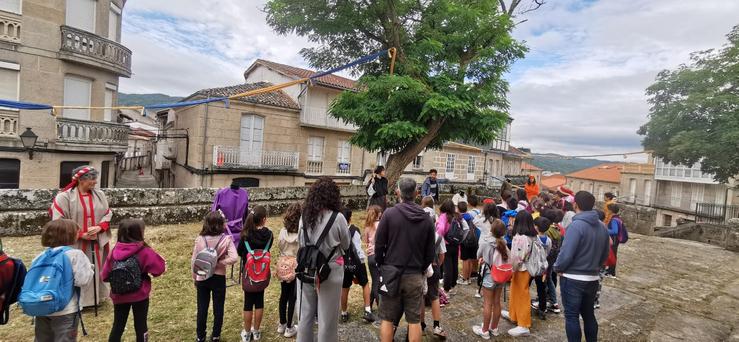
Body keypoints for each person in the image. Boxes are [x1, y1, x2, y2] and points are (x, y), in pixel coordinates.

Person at [375, 178, 435, 342]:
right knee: (414, 320)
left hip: (391, 272)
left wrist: (381, 264)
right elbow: (430, 253)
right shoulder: (427, 219)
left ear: (398, 192)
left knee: (387, 318)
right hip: (414, 274)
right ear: (416, 193)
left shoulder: (389, 214)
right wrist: (420, 268)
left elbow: (379, 244)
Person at [297, 177, 351, 342]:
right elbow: (346, 244)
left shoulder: (304, 216)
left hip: (306, 268)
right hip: (330, 270)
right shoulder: (338, 218)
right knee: (327, 320)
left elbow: (301, 241)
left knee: (304, 316)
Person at [50, 165, 112, 307]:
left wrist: (99, 227)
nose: (95, 182)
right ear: (81, 180)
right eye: (92, 179)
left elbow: (107, 213)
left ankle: (93, 299)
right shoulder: (64, 197)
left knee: (95, 268)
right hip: (74, 244)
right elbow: (58, 222)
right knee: (74, 269)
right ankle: (73, 300)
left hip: (95, 242)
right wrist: (81, 234)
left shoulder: (100, 195)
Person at [553, 191, 610, 342]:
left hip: (572, 278)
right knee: (589, 314)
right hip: (592, 278)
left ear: (576, 205)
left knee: (571, 316)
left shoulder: (576, 226)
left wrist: (557, 268)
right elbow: (605, 254)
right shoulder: (602, 227)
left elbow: (566, 254)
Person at [103, 219, 166, 342]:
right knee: (141, 325)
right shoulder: (144, 251)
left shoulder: (114, 251)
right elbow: (158, 270)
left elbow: (105, 276)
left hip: (119, 295)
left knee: (118, 325)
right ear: (139, 233)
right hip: (140, 295)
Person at [32, 219, 93, 342]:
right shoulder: (75, 255)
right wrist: (90, 269)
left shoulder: (40, 256)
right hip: (66, 308)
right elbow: (82, 280)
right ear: (69, 235)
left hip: (42, 307)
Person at [192, 212, 238, 342]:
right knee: (218, 307)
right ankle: (216, 335)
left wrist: (194, 277)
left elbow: (194, 260)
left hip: (202, 276)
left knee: (202, 308)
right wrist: (219, 263)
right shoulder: (226, 239)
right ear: (220, 224)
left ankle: (200, 336)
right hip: (218, 276)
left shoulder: (200, 239)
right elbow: (234, 258)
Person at [238, 206, 273, 342]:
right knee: (259, 301)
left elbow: (240, 251)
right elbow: (268, 248)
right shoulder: (269, 235)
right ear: (264, 219)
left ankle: (247, 333)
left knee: (248, 303)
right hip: (263, 272)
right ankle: (256, 331)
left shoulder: (246, 235)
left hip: (248, 273)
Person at [473, 219, 509, 339]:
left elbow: (478, 255)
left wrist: (484, 258)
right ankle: (494, 328)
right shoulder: (503, 242)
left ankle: (484, 331)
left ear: (491, 230)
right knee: (497, 302)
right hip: (501, 276)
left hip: (489, 275)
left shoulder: (486, 242)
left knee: (487, 303)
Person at [502, 210, 536, 337]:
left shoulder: (519, 237)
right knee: (516, 291)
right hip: (527, 268)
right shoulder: (532, 235)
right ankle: (513, 314)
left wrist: (511, 269)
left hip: (520, 268)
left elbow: (517, 257)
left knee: (521, 294)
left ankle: (523, 324)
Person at [340, 208, 376, 324]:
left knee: (345, 288)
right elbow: (358, 248)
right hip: (357, 262)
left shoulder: (338, 230)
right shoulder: (354, 230)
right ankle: (367, 310)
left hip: (344, 263)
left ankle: (344, 312)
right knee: (365, 284)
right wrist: (361, 261)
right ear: (350, 218)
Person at [277, 202, 301, 338]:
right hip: (295, 265)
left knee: (283, 295)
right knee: (292, 297)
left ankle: (282, 323)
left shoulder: (282, 232)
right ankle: (290, 327)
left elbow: (280, 246)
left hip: (283, 263)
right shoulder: (301, 234)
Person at [419, 228, 447, 339]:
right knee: (434, 296)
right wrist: (437, 265)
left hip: (420, 269)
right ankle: (436, 326)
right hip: (434, 268)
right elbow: (442, 256)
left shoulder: (417, 234)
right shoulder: (438, 237)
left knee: (420, 296)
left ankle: (421, 325)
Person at [530, 217, 552, 321]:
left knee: (526, 286)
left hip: (532, 267)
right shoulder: (548, 240)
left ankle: (524, 305)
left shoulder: (533, 238)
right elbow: (547, 253)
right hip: (542, 268)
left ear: (536, 227)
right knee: (541, 289)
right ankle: (542, 309)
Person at [436, 200, 459, 293]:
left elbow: (440, 229)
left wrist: (438, 239)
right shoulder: (455, 216)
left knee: (447, 267)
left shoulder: (443, 217)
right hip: (455, 244)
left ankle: (446, 288)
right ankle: (453, 285)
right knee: (454, 265)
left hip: (446, 244)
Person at [364, 205, 383, 312]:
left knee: (374, 280)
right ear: (378, 213)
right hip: (379, 255)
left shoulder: (367, 226)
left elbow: (366, 242)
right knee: (378, 282)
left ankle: (369, 306)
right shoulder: (381, 225)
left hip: (370, 256)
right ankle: (380, 307)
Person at [459, 202, 477, 286]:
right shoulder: (470, 216)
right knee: (470, 260)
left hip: (465, 240)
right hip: (473, 239)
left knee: (465, 260)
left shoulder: (460, 218)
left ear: (458, 209)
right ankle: (469, 278)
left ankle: (465, 278)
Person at [605, 204, 622, 278]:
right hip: (616, 240)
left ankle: (612, 272)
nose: (607, 211)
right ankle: (609, 270)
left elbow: (615, 231)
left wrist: (605, 229)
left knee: (613, 255)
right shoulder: (617, 218)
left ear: (611, 211)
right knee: (613, 254)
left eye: (608, 210)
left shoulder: (614, 220)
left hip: (614, 240)